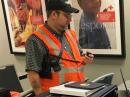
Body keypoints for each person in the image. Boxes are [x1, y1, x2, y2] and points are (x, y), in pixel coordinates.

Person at [25, 0, 94, 96]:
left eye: (70, 16)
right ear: (54, 14)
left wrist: (85, 59)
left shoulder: (71, 34)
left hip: (79, 90)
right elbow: (33, 73)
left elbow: (77, 59)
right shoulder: (36, 40)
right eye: (66, 15)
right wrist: (41, 95)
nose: (70, 19)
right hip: (55, 94)